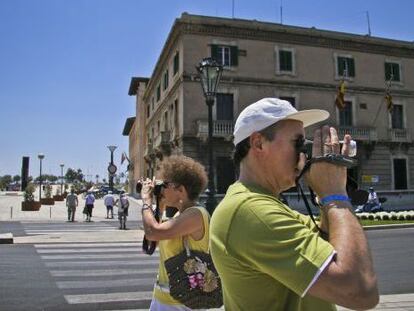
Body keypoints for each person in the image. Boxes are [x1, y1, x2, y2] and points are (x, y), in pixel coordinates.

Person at [210, 98, 379, 311]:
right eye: (297, 143)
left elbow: (330, 247)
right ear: (258, 143)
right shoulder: (251, 210)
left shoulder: (263, 205)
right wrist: (335, 195)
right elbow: (361, 291)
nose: (303, 154)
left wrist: (327, 188)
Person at [140, 155, 209, 310]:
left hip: (181, 304)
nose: (161, 189)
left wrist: (146, 201)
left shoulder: (196, 215)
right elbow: (150, 243)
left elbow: (152, 232)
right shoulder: (179, 216)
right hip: (163, 299)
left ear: (181, 189)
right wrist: (160, 206)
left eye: (165, 184)